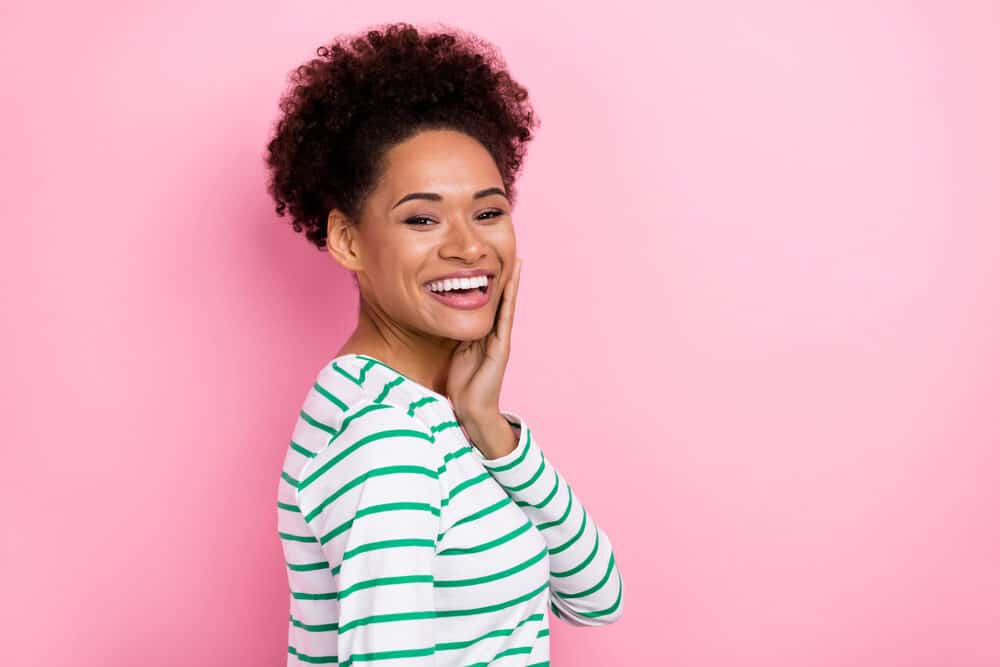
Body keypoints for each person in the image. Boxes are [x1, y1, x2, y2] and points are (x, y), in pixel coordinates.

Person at [265, 21, 624, 666]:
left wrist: (491, 428)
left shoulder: (426, 412)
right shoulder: (387, 440)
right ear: (347, 239)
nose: (468, 246)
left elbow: (596, 598)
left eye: (488, 211)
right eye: (422, 218)